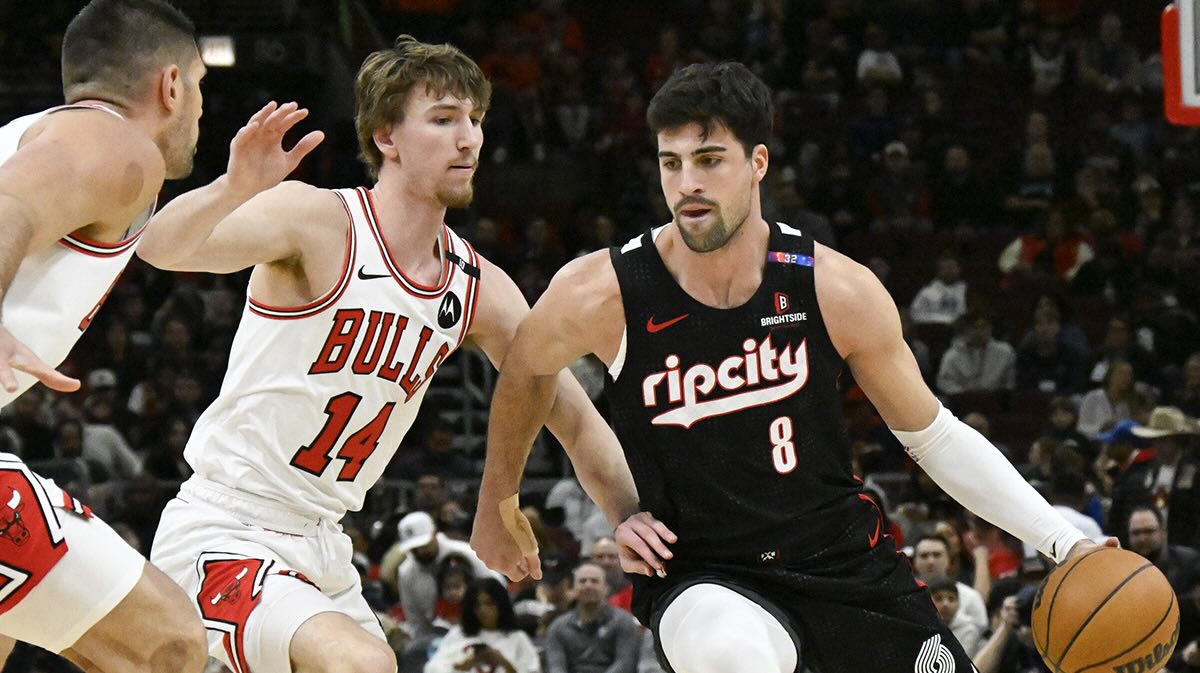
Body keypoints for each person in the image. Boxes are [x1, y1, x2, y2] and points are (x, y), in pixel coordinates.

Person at [472, 62, 1111, 673]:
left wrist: (1064, 541)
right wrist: (510, 501)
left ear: (758, 163)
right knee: (738, 658)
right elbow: (526, 374)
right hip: (704, 577)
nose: (687, 183)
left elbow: (934, 436)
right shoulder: (603, 290)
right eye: (671, 163)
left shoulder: (834, 287)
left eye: (709, 160)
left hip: (844, 562)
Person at [145, 35, 638, 673]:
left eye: (475, 120)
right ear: (387, 138)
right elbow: (159, 246)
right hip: (228, 527)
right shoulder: (318, 221)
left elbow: (573, 418)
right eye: (444, 120)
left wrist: (629, 520)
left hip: (325, 546)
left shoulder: (478, 286)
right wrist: (231, 188)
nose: (469, 139)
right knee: (362, 664)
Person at [0, 0, 252, 669]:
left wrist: (232, 190)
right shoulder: (116, 144)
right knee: (166, 643)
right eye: (199, 85)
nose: (201, 107)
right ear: (171, 86)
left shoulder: (52, 139)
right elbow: (6, 206)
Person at [423, 577, 541, 673]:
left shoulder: (517, 638)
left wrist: (504, 663)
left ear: (501, 605)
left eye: (489, 603)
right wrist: (463, 666)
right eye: (477, 605)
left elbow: (533, 670)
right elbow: (432, 669)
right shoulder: (458, 634)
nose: (483, 610)